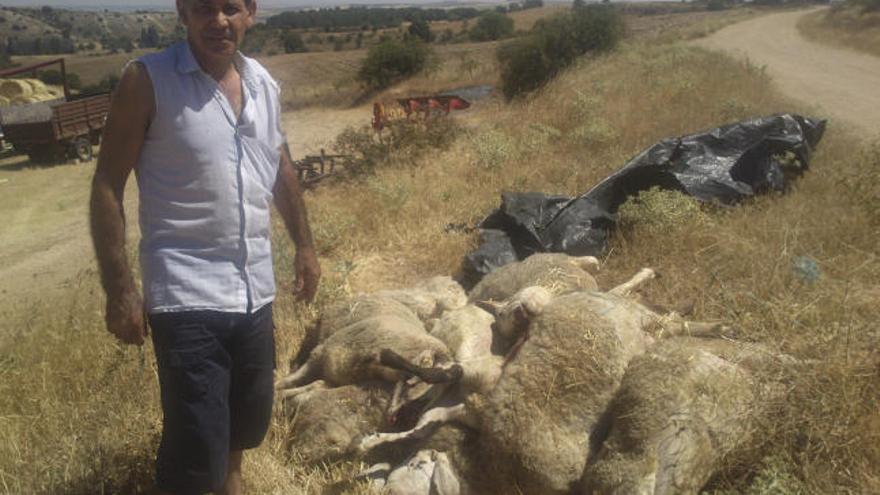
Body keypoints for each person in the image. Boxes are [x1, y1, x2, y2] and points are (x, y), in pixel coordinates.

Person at [89, 0, 320, 493]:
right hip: (186, 292)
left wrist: (305, 246)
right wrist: (120, 289)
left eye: (231, 8)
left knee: (241, 433)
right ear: (182, 12)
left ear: (251, 12)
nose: (219, 21)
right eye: (204, 8)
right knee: (196, 455)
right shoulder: (148, 80)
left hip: (253, 290)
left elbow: (280, 169)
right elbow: (108, 182)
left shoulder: (262, 83)